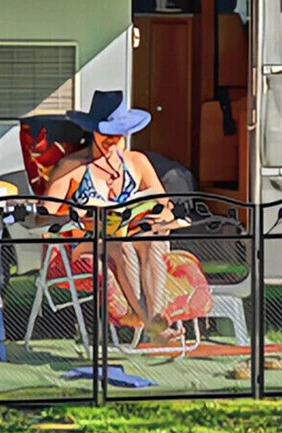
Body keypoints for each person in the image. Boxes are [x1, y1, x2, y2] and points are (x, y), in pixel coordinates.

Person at [43, 90, 183, 343]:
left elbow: (165, 206)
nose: (113, 140)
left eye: (118, 134)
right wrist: (81, 215)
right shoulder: (72, 167)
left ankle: (147, 318)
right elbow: (44, 217)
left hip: (130, 234)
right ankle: (155, 327)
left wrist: (153, 217)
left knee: (152, 241)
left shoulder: (137, 162)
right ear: (92, 131)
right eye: (106, 133)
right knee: (121, 245)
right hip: (86, 241)